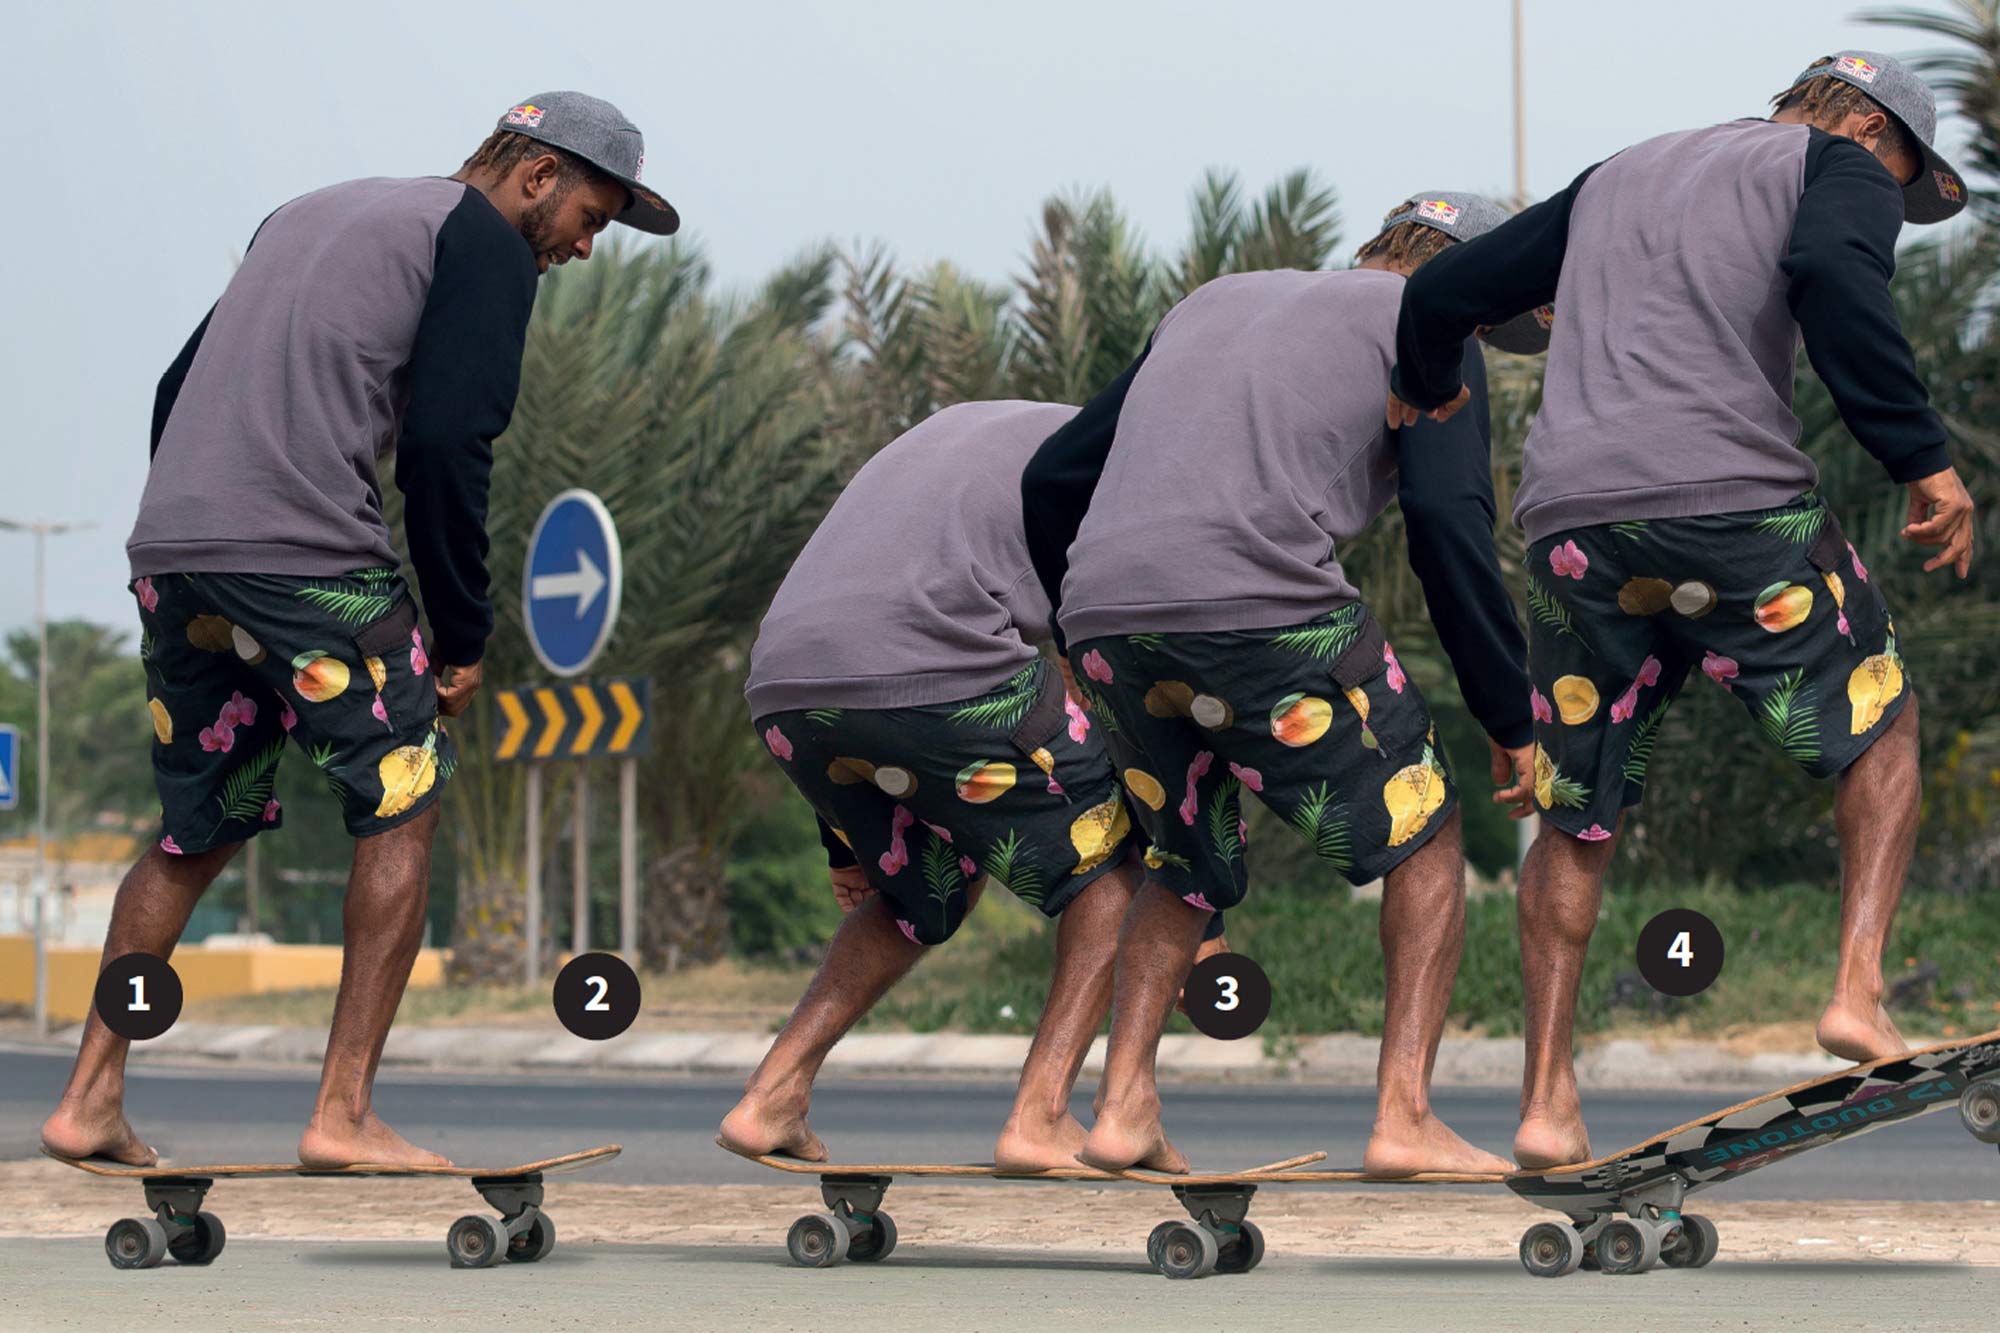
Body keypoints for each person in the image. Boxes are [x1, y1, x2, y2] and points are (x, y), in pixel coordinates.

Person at [41, 92, 678, 1170]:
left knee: (200, 826)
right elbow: (444, 444)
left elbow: (172, 386)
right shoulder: (479, 241)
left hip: (177, 551)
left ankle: (88, 1098)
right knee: (400, 796)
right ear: (535, 177)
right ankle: (341, 1115)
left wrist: (195, 538)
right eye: (591, 218)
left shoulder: (303, 213)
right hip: (304, 559)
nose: (581, 247)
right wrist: (462, 634)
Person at [1389, 51, 1977, 1169]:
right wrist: (1919, 457)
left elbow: (1439, 294)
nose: (1888, 193)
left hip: (1571, 533)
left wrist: (1426, 387)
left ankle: (1545, 1104)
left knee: (1577, 807)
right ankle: (1856, 987)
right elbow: (1836, 281)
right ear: (1862, 120)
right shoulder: (1828, 163)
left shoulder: (1617, 174)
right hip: (1728, 511)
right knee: (1879, 712)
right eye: (1898, 169)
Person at [1021, 193, 1548, 1175]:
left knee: (1183, 853)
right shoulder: (1429, 323)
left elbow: (1052, 477)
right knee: (1423, 829)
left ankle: (1123, 1104)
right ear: (1474, 283)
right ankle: (1404, 1117)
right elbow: (1444, 520)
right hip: (1258, 603)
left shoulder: (1213, 304)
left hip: (1105, 616)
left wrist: (1074, 628)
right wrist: (1508, 711)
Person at [721, 400, 1172, 1173]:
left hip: (785, 687)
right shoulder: (1138, 459)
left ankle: (772, 1095)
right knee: (1115, 869)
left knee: (924, 890)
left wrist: (842, 841)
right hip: (930, 668)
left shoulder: (958, 429)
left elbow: (844, 632)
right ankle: (1042, 1114)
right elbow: (1116, 665)